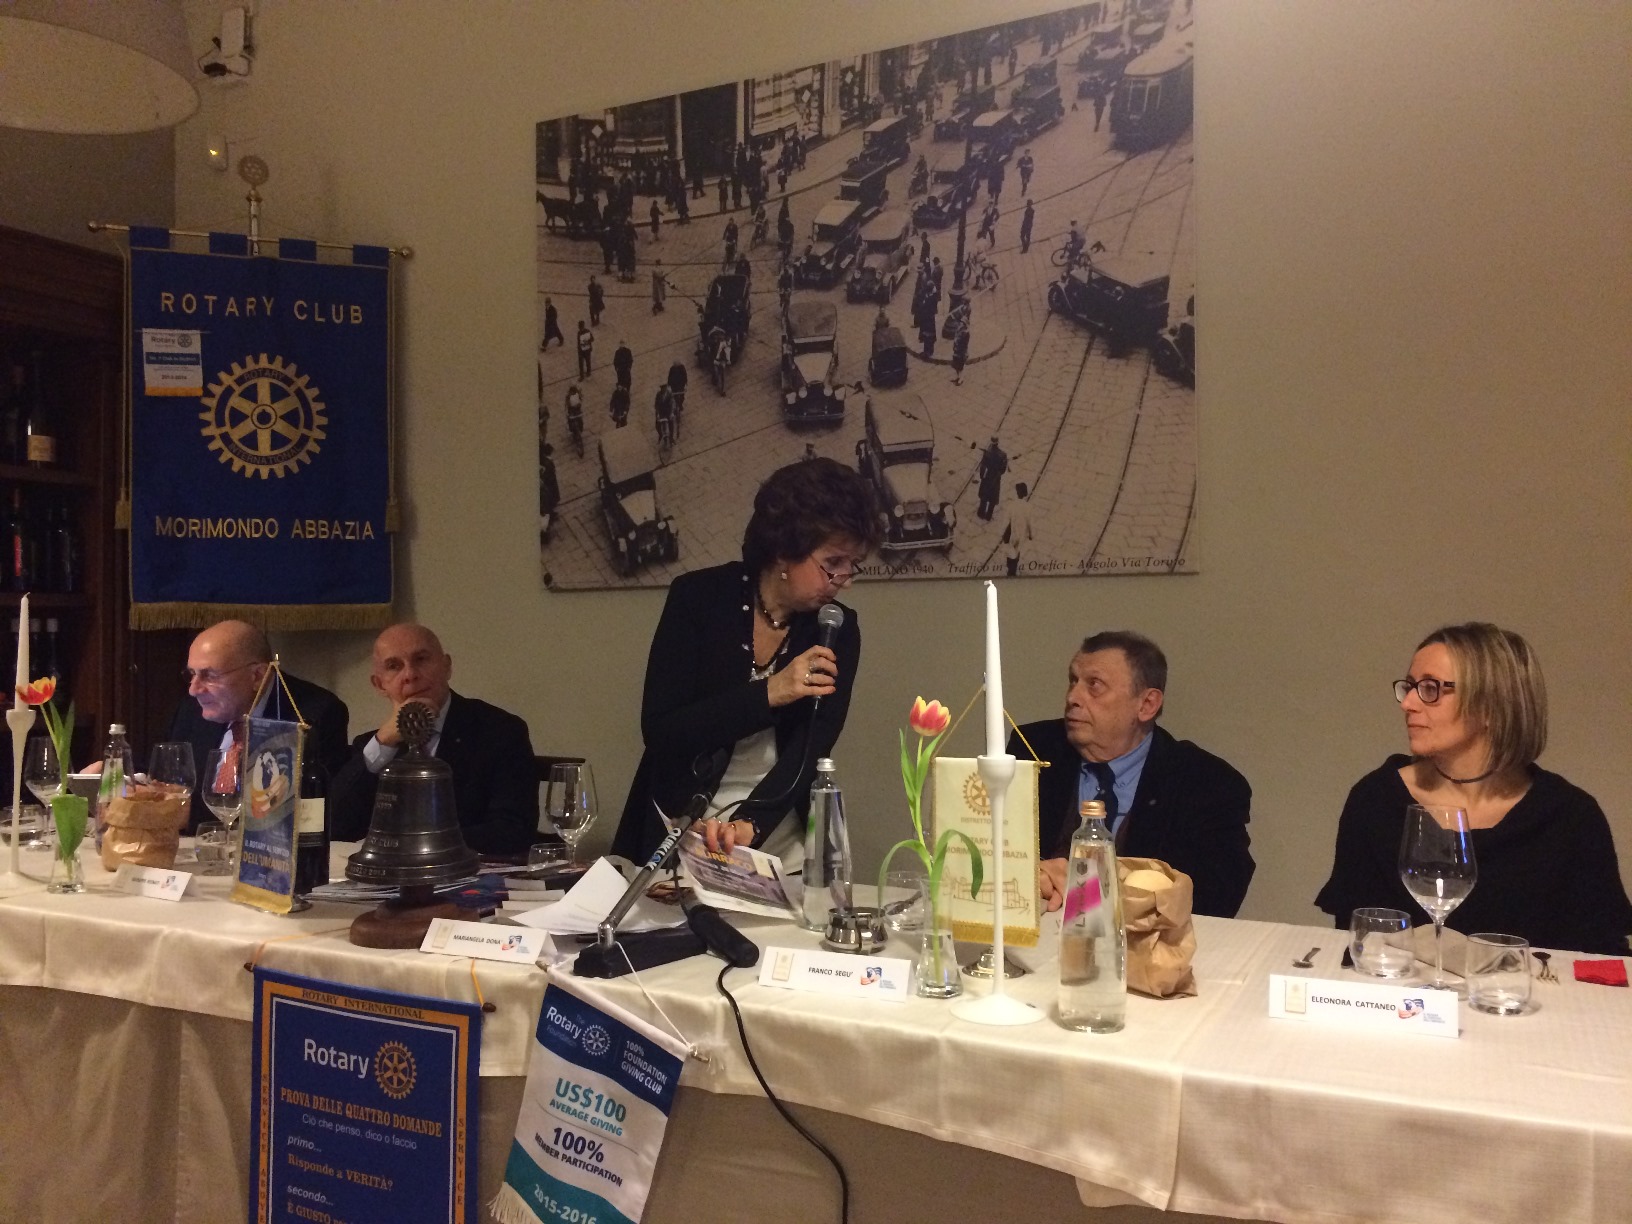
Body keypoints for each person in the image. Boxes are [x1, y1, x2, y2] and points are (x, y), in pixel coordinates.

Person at [609, 458, 882, 867]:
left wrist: (751, 823)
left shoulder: (837, 628)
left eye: (852, 564)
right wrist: (770, 692)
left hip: (779, 838)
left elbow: (812, 748)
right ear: (785, 549)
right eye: (833, 563)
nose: (845, 579)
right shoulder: (697, 598)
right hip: (680, 829)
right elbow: (662, 731)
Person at [1315, 623, 1632, 955]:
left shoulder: (1570, 819)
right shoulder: (1377, 801)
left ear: (1492, 705)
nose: (1407, 703)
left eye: (1430, 688)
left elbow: (1599, 958)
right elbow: (1358, 944)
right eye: (1409, 687)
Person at [1008, 632, 1255, 918]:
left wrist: (1094, 888)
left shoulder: (1207, 782)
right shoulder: (1033, 748)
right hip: (1038, 925)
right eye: (1073, 681)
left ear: (1147, 705)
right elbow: (988, 849)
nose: (1072, 697)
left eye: (1094, 685)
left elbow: (1218, 896)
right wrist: (1029, 874)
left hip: (1141, 938)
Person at [329, 624, 539, 856]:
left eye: (421, 659)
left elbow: (513, 831)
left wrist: (416, 845)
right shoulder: (372, 745)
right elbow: (334, 826)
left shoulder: (500, 731)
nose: (410, 675)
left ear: (446, 667)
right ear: (380, 685)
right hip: (390, 875)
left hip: (465, 871)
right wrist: (384, 741)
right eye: (394, 666)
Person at [165, 621, 350, 832]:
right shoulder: (192, 710)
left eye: (209, 675)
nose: (194, 689)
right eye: (192, 674)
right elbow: (171, 784)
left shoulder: (313, 715)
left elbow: (315, 813)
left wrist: (189, 816)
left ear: (258, 676)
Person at [1001, 481, 1032, 577]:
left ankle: (1010, 569)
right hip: (1021, 532)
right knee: (1017, 550)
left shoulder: (1012, 505)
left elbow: (1006, 520)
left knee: (1010, 550)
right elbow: (1029, 522)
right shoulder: (1028, 506)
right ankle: (1013, 569)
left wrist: (1003, 532)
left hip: (1012, 531)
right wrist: (1031, 534)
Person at [976, 435, 1007, 520]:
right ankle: (989, 515)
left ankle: (981, 513)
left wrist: (982, 476)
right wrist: (998, 475)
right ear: (998, 442)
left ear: (991, 441)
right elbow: (1003, 470)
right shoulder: (1003, 455)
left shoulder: (987, 453)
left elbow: (983, 466)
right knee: (993, 497)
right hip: (996, 478)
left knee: (984, 496)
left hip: (987, 477)